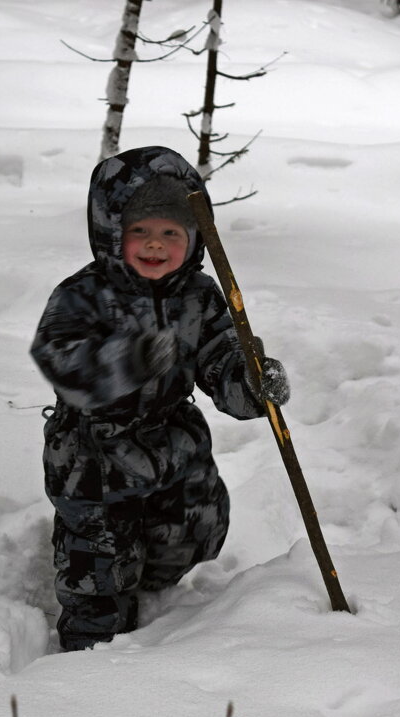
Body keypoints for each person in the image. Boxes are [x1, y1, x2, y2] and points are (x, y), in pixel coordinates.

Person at [30, 145, 291, 651]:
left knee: (198, 527)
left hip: (173, 444)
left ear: (195, 237)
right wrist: (131, 361)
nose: (156, 245)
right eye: (140, 231)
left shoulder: (201, 295)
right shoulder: (81, 295)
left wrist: (252, 383)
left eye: (171, 232)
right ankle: (86, 656)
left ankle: (149, 582)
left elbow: (221, 360)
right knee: (98, 567)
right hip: (94, 458)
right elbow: (63, 363)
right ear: (112, 231)